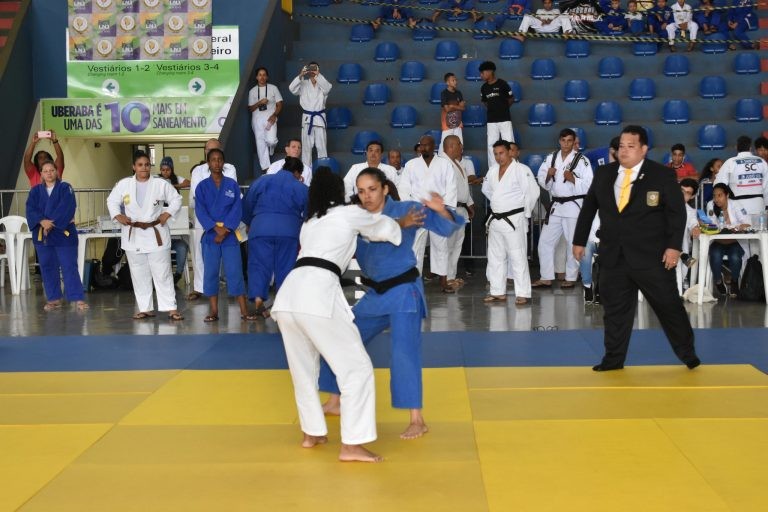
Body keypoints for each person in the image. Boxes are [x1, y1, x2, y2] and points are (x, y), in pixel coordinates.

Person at [271, 168, 413, 463]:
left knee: (303, 371)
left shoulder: (309, 223)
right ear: (340, 190)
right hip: (317, 296)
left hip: (288, 296)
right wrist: (402, 223)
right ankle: (352, 444)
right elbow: (382, 228)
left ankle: (311, 433)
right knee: (357, 368)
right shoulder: (348, 213)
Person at [319, 167, 464, 440]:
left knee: (403, 352)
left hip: (403, 291)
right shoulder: (356, 217)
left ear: (385, 188)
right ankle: (335, 398)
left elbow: (446, 227)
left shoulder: (406, 209)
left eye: (372, 189)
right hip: (373, 294)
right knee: (341, 338)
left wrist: (441, 210)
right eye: (361, 191)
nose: (367, 196)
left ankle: (417, 419)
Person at [573, 125, 700, 371]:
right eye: (621, 146)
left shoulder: (661, 175)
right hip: (614, 255)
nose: (624, 151)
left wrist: (674, 247)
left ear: (644, 149)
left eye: (631, 146)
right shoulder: (604, 174)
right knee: (615, 311)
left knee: (668, 306)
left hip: (651, 257)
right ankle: (613, 359)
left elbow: (676, 214)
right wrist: (579, 240)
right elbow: (589, 208)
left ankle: (687, 352)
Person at [107, 151, 184, 321]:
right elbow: (112, 200)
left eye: (147, 164)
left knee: (162, 272)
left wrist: (167, 213)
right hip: (133, 234)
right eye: (140, 165)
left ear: (150, 166)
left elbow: (176, 199)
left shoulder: (160, 184)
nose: (144, 168)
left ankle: (171, 308)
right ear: (134, 167)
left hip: (155, 233)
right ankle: (145, 308)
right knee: (138, 273)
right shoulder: (124, 184)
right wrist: (117, 215)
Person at [242, 156, 308, 318]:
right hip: (288, 230)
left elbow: (247, 203)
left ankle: (258, 301)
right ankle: (282, 305)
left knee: (258, 265)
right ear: (298, 173)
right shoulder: (300, 187)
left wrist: (251, 222)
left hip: (260, 228)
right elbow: (308, 212)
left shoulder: (262, 180)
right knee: (285, 267)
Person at [533, 128, 593, 289]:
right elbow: (541, 179)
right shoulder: (551, 158)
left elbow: (589, 185)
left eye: (569, 141)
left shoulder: (582, 160)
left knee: (573, 243)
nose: (566, 144)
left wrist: (573, 180)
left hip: (573, 207)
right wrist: (548, 175)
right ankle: (546, 277)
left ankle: (571, 277)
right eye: (563, 140)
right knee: (545, 241)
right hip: (556, 206)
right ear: (559, 141)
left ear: (574, 142)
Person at [194, 148, 249, 322]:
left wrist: (226, 229)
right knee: (210, 273)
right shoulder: (202, 187)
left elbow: (237, 208)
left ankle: (244, 311)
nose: (217, 163)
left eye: (220, 160)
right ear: (208, 163)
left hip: (229, 235)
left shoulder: (232, 185)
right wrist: (214, 228)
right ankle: (214, 311)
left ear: (223, 162)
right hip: (211, 236)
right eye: (213, 160)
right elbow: (200, 210)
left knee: (235, 272)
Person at [482, 140, 539, 304]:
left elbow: (533, 192)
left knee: (518, 256)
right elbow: (486, 189)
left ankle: (523, 293)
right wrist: (499, 202)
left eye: (501, 153)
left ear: (509, 152)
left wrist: (525, 213)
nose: (498, 157)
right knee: (495, 257)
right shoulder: (492, 171)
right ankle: (497, 291)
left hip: (514, 219)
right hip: (496, 219)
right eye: (495, 154)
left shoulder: (521, 170)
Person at [25, 160, 87, 312]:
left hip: (63, 233)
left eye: (51, 170)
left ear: (56, 172)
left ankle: (77, 298)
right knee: (47, 267)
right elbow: (30, 209)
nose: (49, 173)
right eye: (45, 171)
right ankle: (53, 299)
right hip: (42, 234)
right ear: (41, 174)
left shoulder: (66, 188)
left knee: (69, 266)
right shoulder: (35, 191)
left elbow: (67, 207)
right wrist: (41, 221)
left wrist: (50, 223)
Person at [399, 135, 458, 276]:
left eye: (427, 145)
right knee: (415, 246)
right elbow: (404, 188)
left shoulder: (444, 164)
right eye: (421, 145)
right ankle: (414, 278)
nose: (423, 148)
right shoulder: (411, 165)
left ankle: (443, 280)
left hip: (437, 210)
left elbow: (451, 187)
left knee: (441, 246)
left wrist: (445, 209)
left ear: (434, 146)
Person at [188, 139, 238, 301]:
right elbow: (198, 196)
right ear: (205, 152)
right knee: (200, 255)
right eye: (210, 150)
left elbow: (231, 192)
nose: (214, 155)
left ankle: (233, 288)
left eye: (216, 150)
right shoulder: (197, 171)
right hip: (204, 219)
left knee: (230, 258)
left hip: (226, 220)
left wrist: (223, 225)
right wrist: (212, 224)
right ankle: (199, 288)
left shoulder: (230, 169)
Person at [442, 135, 476, 291]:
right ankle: (446, 278)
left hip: (461, 209)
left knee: (457, 244)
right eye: (458, 144)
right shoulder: (442, 165)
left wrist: (470, 205)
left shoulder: (459, 165)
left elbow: (464, 188)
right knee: (447, 245)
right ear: (450, 146)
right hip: (449, 209)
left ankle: (452, 276)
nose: (461, 147)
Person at [705, 183, 751, 297]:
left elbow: (747, 223)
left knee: (735, 257)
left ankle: (734, 282)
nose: (716, 199)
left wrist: (738, 227)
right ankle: (718, 281)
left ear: (727, 195)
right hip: (718, 242)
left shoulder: (736, 205)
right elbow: (709, 225)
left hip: (734, 242)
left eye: (719, 195)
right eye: (714, 196)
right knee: (715, 255)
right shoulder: (711, 205)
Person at [714, 136, 768, 221]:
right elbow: (767, 187)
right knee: (759, 232)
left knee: (739, 232)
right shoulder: (761, 162)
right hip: (758, 204)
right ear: (750, 148)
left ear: (736, 147)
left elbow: (719, 184)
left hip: (738, 205)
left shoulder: (730, 162)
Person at [289, 62, 332, 167]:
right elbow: (292, 89)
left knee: (321, 147)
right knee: (306, 149)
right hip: (308, 119)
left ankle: (323, 172)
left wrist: (318, 75)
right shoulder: (303, 83)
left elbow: (328, 88)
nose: (312, 70)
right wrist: (300, 75)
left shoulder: (322, 84)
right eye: (310, 68)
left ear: (318, 69)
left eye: (315, 68)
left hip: (319, 119)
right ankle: (306, 173)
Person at [157, 156, 190, 284]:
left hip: (175, 229)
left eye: (168, 169)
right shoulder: (155, 179)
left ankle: (178, 274)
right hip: (159, 231)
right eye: (163, 169)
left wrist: (173, 185)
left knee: (182, 247)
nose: (165, 172)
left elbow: (188, 182)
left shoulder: (175, 179)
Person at [479, 61, 514, 169]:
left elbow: (511, 99)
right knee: (491, 146)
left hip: (505, 119)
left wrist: (502, 108)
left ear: (490, 72)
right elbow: (485, 102)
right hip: (491, 121)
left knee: (509, 144)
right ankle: (493, 171)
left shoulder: (502, 84)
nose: (481, 75)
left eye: (483, 72)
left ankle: (512, 168)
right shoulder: (483, 88)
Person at [248, 67, 283, 173]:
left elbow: (279, 104)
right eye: (260, 75)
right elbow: (250, 108)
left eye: (264, 75)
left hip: (270, 119)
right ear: (256, 77)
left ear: (267, 77)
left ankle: (271, 148)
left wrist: (275, 115)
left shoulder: (273, 88)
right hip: (257, 120)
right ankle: (266, 168)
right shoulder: (252, 91)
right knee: (260, 143)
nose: (262, 77)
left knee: (271, 141)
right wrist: (259, 103)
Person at [677, 178, 700, 294]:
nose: (682, 195)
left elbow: (693, 224)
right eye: (681, 191)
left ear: (692, 196)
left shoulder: (690, 212)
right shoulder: (662, 205)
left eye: (687, 193)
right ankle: (682, 255)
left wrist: (695, 229)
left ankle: (681, 254)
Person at [440, 73, 465, 149]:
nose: (455, 82)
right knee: (445, 147)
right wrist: (458, 106)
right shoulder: (444, 93)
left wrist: (452, 106)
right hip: (447, 124)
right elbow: (447, 109)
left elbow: (463, 108)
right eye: (453, 80)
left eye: (456, 80)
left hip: (458, 124)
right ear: (447, 82)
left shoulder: (459, 93)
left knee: (459, 145)